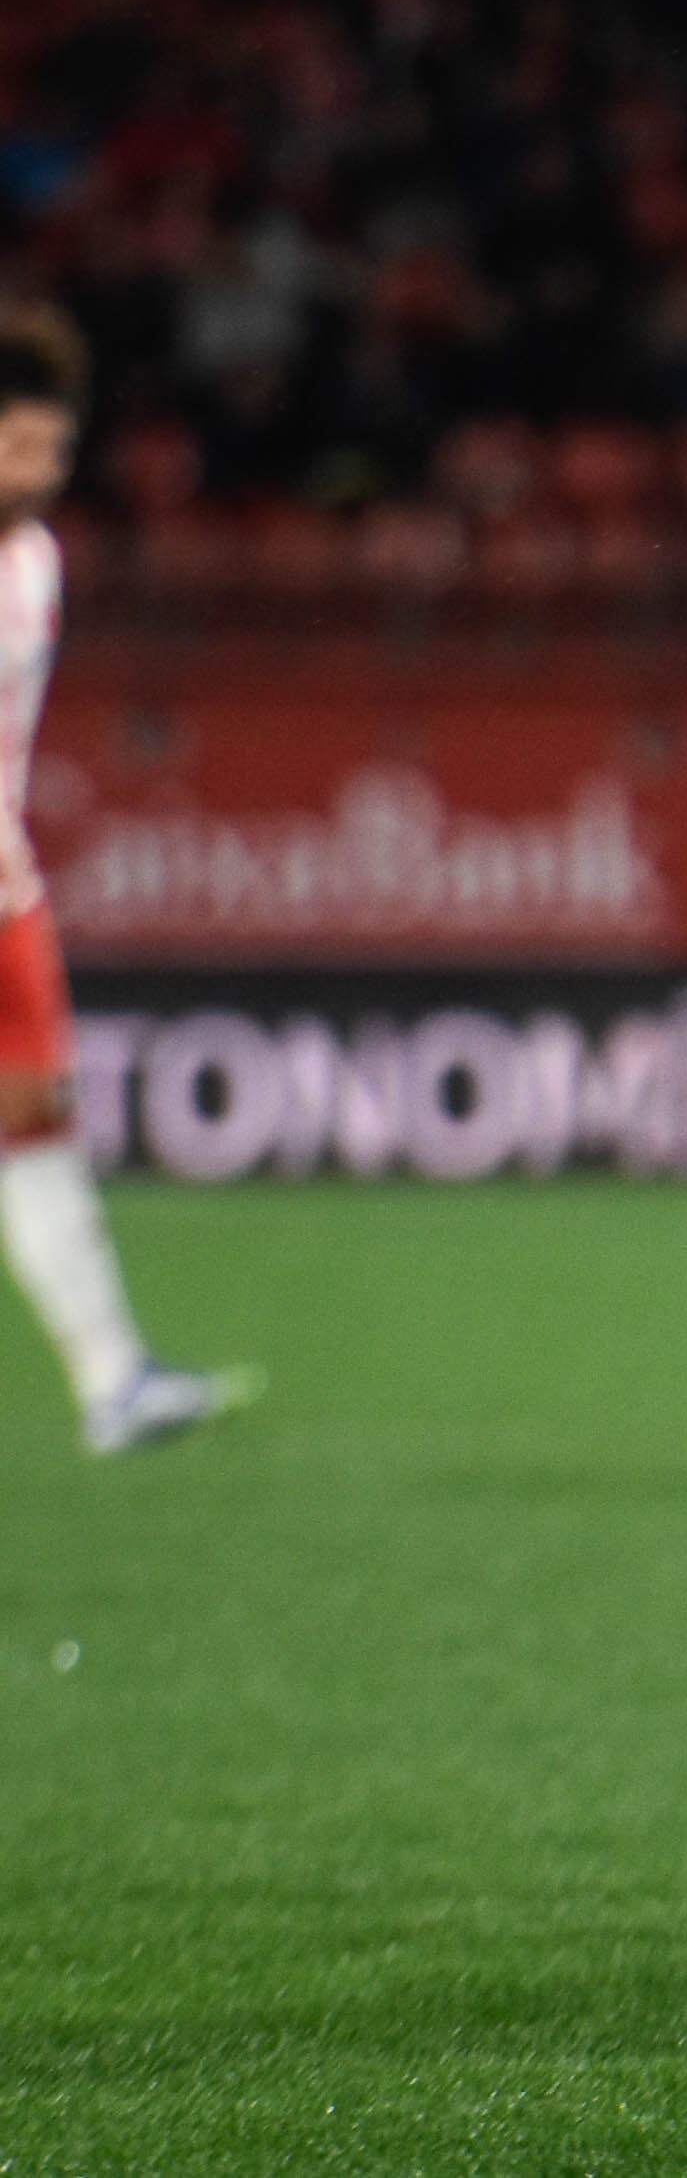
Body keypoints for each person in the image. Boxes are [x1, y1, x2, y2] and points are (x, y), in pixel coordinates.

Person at [0, 311, 255, 1453]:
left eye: (51, 452)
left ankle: (113, 1379)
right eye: (14, 449)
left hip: (2, 881)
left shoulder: (37, 560)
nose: (37, 475)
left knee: (35, 1121)